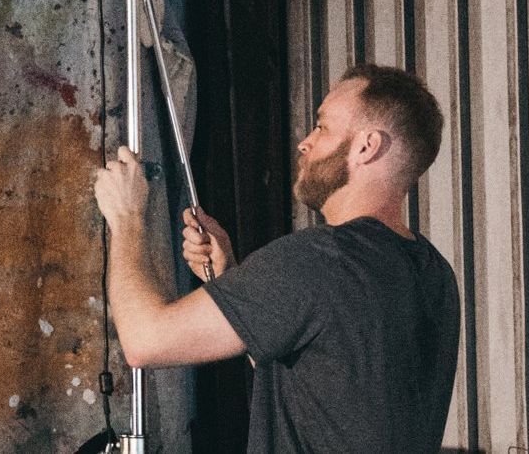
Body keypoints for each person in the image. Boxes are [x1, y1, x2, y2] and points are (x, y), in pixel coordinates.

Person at [93, 63, 461, 452]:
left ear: (367, 146)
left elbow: (145, 341)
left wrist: (127, 217)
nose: (305, 142)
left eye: (322, 127)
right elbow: (317, 387)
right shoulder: (433, 273)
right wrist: (229, 275)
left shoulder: (318, 260)